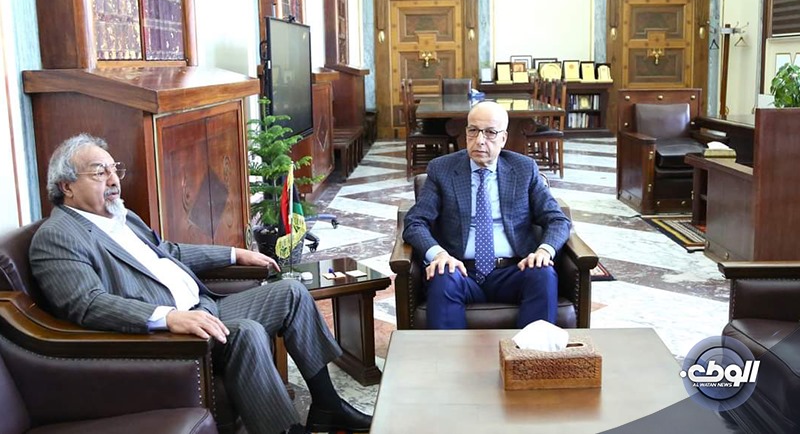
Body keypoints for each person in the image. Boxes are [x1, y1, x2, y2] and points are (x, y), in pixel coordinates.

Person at [29, 134, 371, 434]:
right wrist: (167, 317)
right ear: (67, 186)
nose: (113, 179)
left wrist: (235, 254)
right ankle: (286, 431)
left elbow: (169, 251)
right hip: (170, 335)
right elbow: (86, 304)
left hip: (204, 307)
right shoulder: (58, 236)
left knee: (291, 293)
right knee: (246, 331)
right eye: (99, 172)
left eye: (114, 169)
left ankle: (328, 405)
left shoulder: (122, 215)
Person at [403, 101, 571, 329]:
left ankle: (531, 352)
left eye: (490, 132)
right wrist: (439, 254)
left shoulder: (524, 169)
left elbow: (557, 219)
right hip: (460, 270)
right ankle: (448, 353)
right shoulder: (442, 169)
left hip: (515, 269)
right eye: (473, 130)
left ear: (504, 138)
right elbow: (415, 222)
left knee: (543, 273)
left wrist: (543, 251)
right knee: (442, 275)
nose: (480, 140)